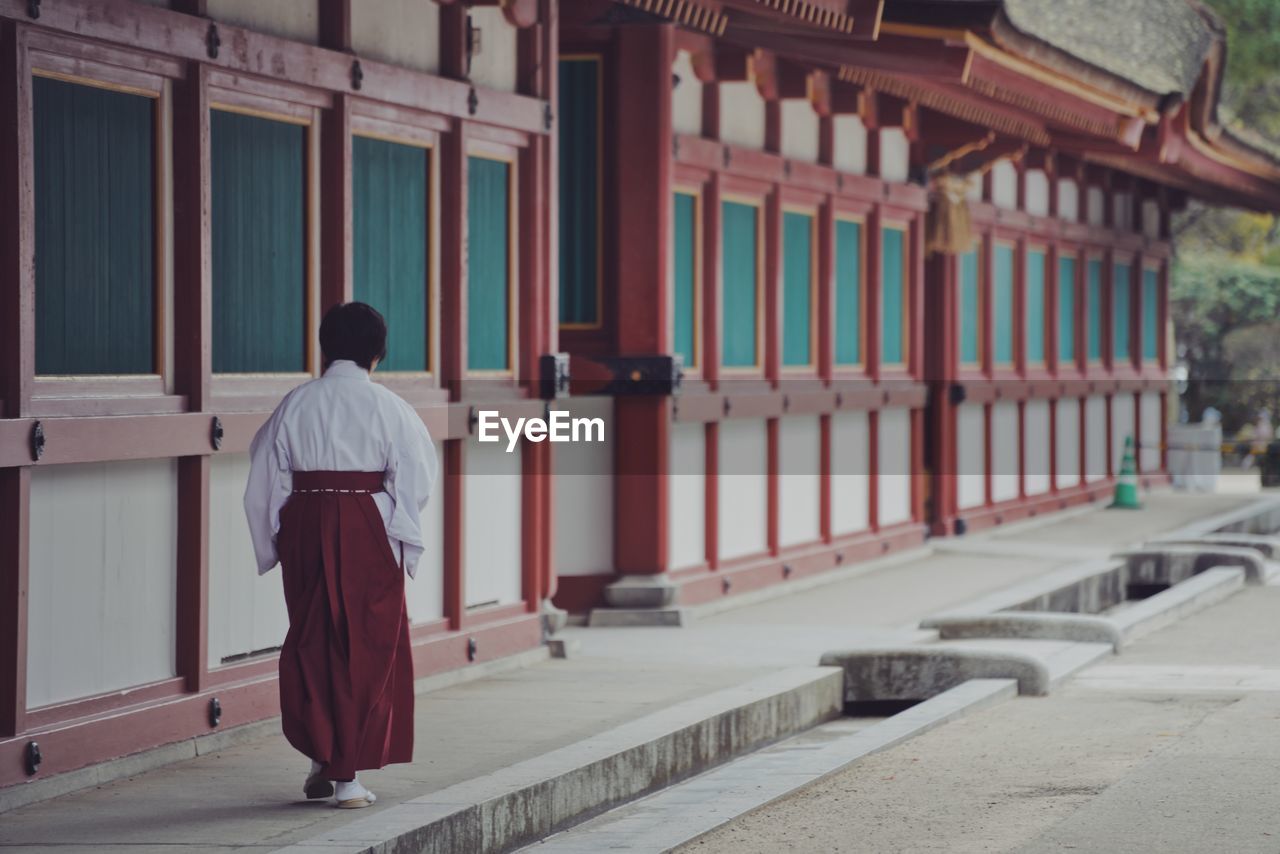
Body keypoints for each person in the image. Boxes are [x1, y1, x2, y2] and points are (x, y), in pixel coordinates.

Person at [244, 302, 438, 808]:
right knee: (368, 647)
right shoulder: (391, 408)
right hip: (367, 523)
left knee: (314, 640)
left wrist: (277, 538)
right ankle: (347, 778)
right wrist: (399, 531)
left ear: (325, 347)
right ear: (379, 354)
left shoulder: (296, 402)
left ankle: (321, 758)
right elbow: (415, 478)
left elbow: (265, 476)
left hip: (306, 521)